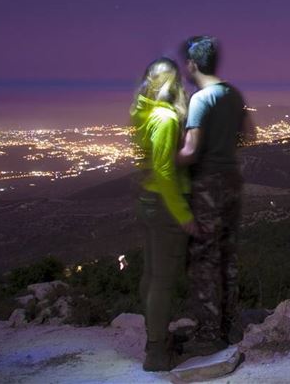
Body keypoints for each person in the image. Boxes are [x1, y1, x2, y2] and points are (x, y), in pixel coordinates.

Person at [177, 36, 255, 357]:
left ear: (192, 64)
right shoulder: (233, 94)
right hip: (232, 180)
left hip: (207, 183)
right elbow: (249, 135)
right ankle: (231, 324)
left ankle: (208, 334)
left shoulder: (200, 99)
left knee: (204, 258)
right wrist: (226, 147)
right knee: (228, 253)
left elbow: (191, 150)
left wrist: (166, 160)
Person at [130, 58, 198, 371]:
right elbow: (165, 170)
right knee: (164, 281)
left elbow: (157, 164)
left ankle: (152, 338)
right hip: (165, 204)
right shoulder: (166, 118)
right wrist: (183, 212)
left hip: (148, 200)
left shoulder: (142, 111)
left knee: (150, 274)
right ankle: (157, 351)